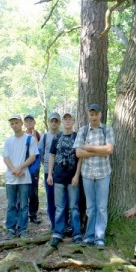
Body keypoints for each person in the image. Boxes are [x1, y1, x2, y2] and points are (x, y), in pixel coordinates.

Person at [73, 103, 115, 249]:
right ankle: (89, 236)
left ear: (100, 114)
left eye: (96, 114)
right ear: (88, 115)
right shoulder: (83, 131)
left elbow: (109, 149)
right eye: (91, 114)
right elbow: (78, 153)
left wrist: (89, 148)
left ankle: (100, 237)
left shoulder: (107, 130)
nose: (94, 116)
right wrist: (99, 151)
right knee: (90, 207)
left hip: (103, 173)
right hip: (87, 174)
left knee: (102, 207)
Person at [47, 112, 83, 247]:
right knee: (60, 207)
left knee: (74, 207)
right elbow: (51, 155)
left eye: (70, 119)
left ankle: (77, 233)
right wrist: (50, 174)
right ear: (62, 122)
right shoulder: (57, 137)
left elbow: (80, 158)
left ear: (73, 121)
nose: (68, 121)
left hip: (72, 178)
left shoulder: (77, 137)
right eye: (65, 119)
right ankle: (58, 232)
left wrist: (77, 175)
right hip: (58, 177)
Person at [3, 114, 38, 239]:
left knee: (24, 204)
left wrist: (20, 168)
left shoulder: (30, 139)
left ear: (21, 123)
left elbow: (33, 156)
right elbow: (5, 157)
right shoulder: (8, 140)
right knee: (11, 204)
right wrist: (13, 169)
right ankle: (11, 229)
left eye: (16, 122)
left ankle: (23, 229)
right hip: (11, 178)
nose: (14, 125)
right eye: (12, 123)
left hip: (25, 177)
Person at [38, 112, 61, 231]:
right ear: (49, 122)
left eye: (56, 121)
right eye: (52, 121)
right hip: (48, 172)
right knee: (50, 197)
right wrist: (45, 165)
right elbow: (40, 153)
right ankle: (53, 222)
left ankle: (62, 223)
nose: (53, 123)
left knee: (62, 199)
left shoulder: (63, 135)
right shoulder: (45, 137)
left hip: (61, 173)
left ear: (59, 123)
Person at [24, 114, 42, 224]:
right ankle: (23, 214)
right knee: (23, 191)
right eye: (27, 121)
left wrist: (35, 137)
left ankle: (33, 214)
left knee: (33, 192)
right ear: (24, 123)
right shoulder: (22, 135)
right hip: (24, 166)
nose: (29, 123)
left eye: (31, 121)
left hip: (35, 167)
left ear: (34, 122)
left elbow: (39, 149)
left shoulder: (39, 134)